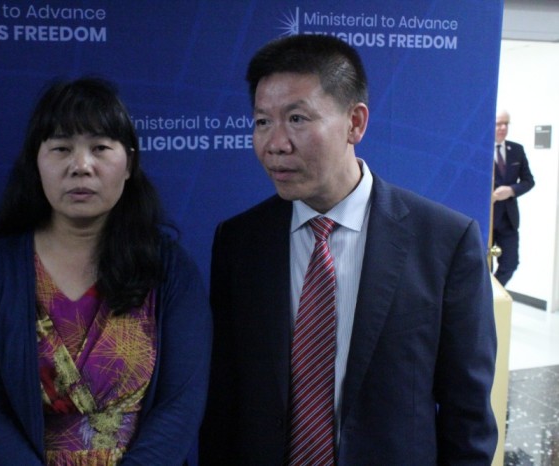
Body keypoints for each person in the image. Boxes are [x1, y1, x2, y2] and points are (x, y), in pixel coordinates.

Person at [199, 35, 498, 465]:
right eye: (262, 121)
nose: (275, 143)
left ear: (355, 123)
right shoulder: (240, 241)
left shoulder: (445, 242)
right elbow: (225, 399)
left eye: (297, 119)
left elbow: (467, 413)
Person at [0, 77, 212, 465]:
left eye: (100, 148)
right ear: (36, 163)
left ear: (128, 164)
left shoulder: (170, 269)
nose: (81, 167)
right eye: (60, 148)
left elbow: (181, 403)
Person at [492, 109, 535, 286]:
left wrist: (511, 190)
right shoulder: (479, 150)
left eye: (506, 123)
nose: (503, 127)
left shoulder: (517, 150)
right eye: (498, 123)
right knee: (480, 265)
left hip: (508, 219)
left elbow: (528, 181)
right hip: (486, 219)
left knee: (510, 264)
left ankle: (492, 295)